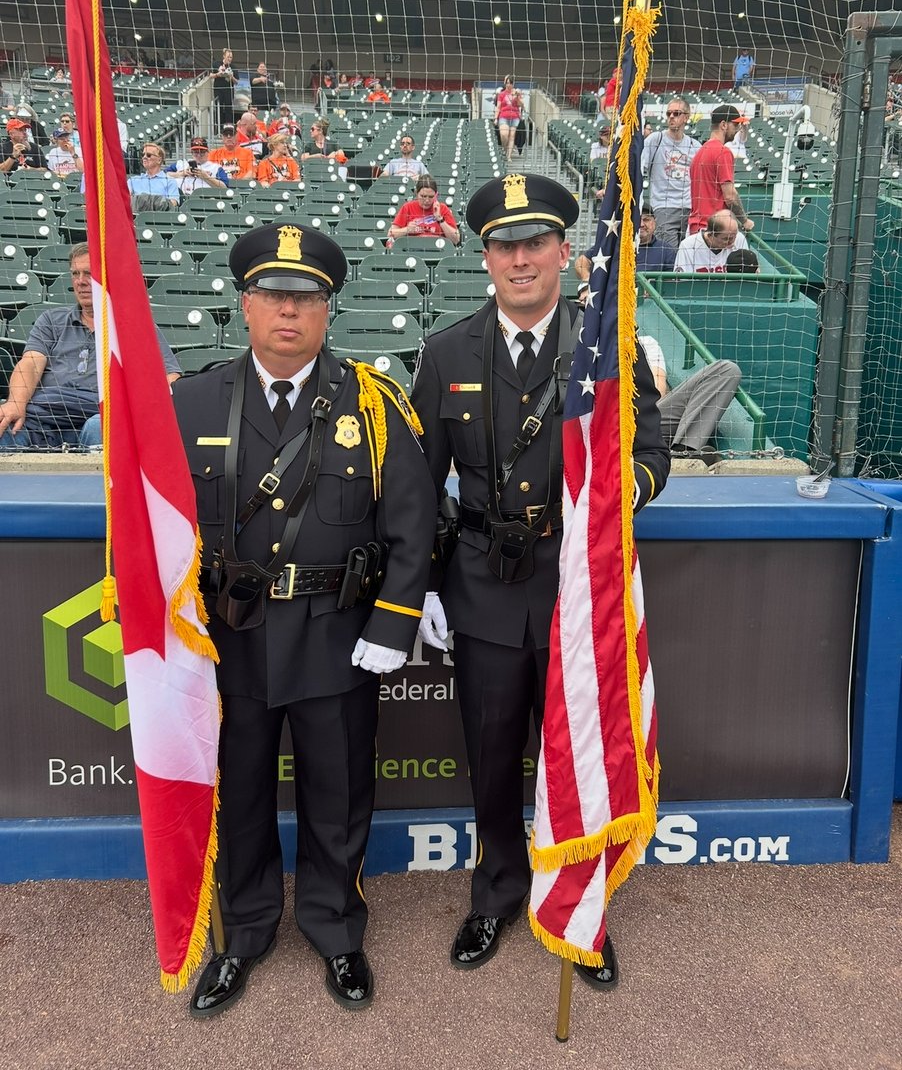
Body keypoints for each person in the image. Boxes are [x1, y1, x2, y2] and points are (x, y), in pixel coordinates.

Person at [411, 173, 669, 989]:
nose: (520, 259)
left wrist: (614, 498)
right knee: (491, 756)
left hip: (579, 592)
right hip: (483, 586)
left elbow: (651, 455)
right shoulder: (446, 352)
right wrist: (425, 586)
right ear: (485, 257)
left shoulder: (607, 347)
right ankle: (496, 893)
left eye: (535, 243)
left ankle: (580, 908)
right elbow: (420, 485)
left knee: (580, 754)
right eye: (504, 246)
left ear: (564, 251)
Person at [172, 222, 435, 1018]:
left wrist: (392, 625)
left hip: (336, 637)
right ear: (244, 305)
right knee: (239, 797)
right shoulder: (189, 402)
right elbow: (156, 527)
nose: (289, 311)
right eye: (273, 295)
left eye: (307, 298)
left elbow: (413, 525)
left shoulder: (374, 403)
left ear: (328, 309)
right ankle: (243, 934)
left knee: (338, 794)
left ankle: (336, 930)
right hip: (230, 640)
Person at [0, 243, 180, 450]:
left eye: (89, 274)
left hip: (103, 412)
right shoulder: (51, 320)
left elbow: (169, 377)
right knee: (6, 423)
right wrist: (15, 403)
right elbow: (31, 364)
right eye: (75, 274)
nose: (80, 281)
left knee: (99, 427)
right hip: (45, 416)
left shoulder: (136, 326)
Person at [639, 334, 742, 460]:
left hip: (645, 418)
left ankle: (684, 452)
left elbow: (657, 391)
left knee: (727, 370)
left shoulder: (645, 343)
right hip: (617, 425)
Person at [641, 97, 701, 249]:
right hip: (664, 206)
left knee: (688, 253)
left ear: (686, 117)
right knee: (669, 252)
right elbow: (639, 166)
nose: (671, 117)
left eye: (676, 113)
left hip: (689, 207)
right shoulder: (656, 139)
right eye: (669, 114)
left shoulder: (695, 145)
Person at [688, 106, 754, 235]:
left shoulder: (699, 153)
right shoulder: (722, 152)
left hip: (696, 228)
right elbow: (730, 196)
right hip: (714, 230)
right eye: (735, 124)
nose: (737, 129)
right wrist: (745, 221)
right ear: (724, 125)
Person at [576, 205, 675, 285]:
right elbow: (581, 261)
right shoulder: (614, 245)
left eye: (646, 220)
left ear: (654, 223)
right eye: (637, 219)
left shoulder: (666, 250)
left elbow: (671, 282)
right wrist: (586, 281)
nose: (641, 224)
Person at [388, 174, 459, 245]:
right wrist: (407, 229)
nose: (427, 200)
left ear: (436, 195)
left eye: (431, 197)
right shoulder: (407, 207)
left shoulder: (443, 208)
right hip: (413, 248)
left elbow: (456, 240)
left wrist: (440, 219)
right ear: (417, 193)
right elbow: (390, 234)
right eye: (423, 196)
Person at [675, 209, 749, 274]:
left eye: (734, 237)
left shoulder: (739, 239)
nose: (732, 242)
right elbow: (681, 281)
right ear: (711, 235)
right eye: (726, 239)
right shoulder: (688, 245)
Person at [165, 137, 229, 195]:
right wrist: (180, 174)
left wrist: (206, 177)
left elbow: (224, 188)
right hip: (179, 198)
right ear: (191, 152)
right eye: (196, 152)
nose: (199, 155)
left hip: (204, 200)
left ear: (207, 152)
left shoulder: (215, 168)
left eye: (202, 152)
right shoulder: (181, 163)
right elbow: (163, 175)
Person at [494, 75, 524, 163]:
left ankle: (509, 156)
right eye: (507, 83)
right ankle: (505, 148)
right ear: (505, 83)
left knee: (512, 137)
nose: (509, 85)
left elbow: (521, 105)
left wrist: (517, 96)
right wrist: (496, 118)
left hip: (514, 116)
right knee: (504, 135)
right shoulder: (501, 94)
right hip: (503, 116)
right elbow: (498, 107)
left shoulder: (517, 93)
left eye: (510, 83)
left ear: (513, 84)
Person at [213, 49, 236, 127]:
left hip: (229, 91)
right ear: (224, 56)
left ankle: (229, 127)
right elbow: (210, 75)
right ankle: (218, 127)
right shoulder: (216, 64)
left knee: (228, 109)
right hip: (218, 90)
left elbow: (237, 82)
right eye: (228, 57)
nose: (230, 59)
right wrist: (218, 74)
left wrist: (231, 77)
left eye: (231, 57)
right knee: (218, 109)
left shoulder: (233, 67)